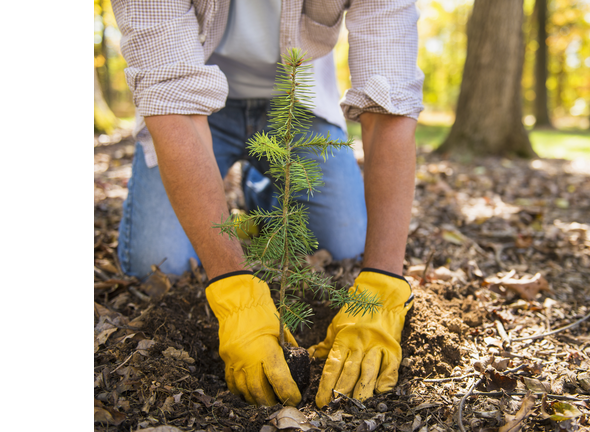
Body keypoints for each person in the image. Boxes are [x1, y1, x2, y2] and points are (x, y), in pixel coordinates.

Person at [112, 0, 424, 408]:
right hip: (192, 101)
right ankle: (252, 199)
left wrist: (384, 281)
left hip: (299, 98)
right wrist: (232, 286)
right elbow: (172, 98)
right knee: (157, 262)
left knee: (346, 242)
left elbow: (391, 102)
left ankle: (263, 196)